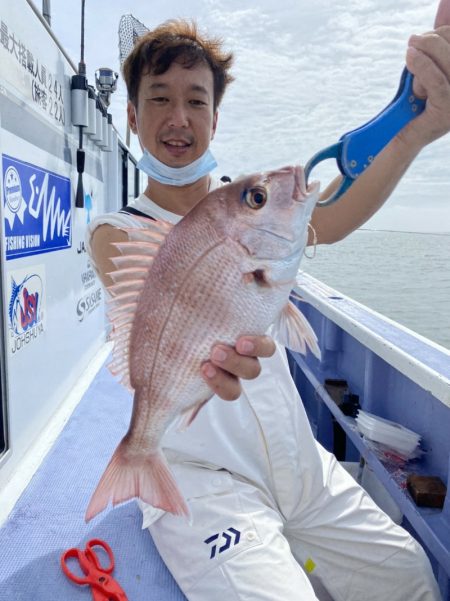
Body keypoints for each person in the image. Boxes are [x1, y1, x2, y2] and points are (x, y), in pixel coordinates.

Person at [87, 18, 450, 601]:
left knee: (409, 576)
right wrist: (245, 235)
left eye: (195, 100)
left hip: (299, 462)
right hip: (206, 479)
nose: (178, 118)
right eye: (158, 99)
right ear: (131, 116)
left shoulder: (252, 218)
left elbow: (330, 212)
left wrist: (418, 128)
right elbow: (152, 283)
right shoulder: (116, 231)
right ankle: (146, 470)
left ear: (214, 118)